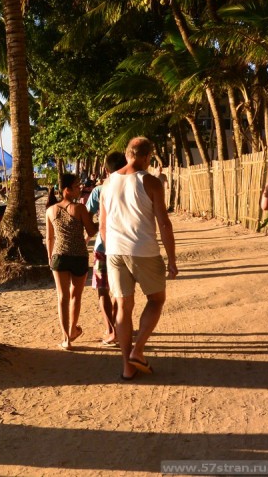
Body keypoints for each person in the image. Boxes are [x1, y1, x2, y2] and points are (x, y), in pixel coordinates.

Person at [100, 136, 178, 381]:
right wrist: (172, 259)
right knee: (156, 300)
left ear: (127, 154)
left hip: (113, 251)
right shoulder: (151, 182)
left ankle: (127, 366)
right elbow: (164, 223)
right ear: (146, 157)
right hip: (143, 250)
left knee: (123, 307)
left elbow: (102, 225)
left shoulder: (107, 183)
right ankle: (138, 349)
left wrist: (110, 247)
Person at [46, 173, 97, 350]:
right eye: (76, 186)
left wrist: (50, 257)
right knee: (76, 296)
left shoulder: (50, 210)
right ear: (66, 190)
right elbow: (91, 230)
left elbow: (49, 238)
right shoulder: (80, 209)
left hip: (59, 256)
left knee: (62, 297)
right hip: (79, 257)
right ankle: (73, 329)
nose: (80, 188)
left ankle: (66, 338)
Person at [85, 152, 127, 347]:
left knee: (103, 290)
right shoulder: (133, 188)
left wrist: (88, 234)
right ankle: (120, 327)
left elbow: (86, 217)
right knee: (121, 291)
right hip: (126, 247)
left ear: (105, 170)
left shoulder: (99, 190)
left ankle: (111, 331)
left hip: (104, 247)